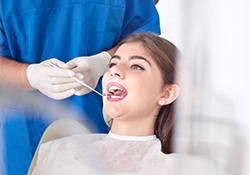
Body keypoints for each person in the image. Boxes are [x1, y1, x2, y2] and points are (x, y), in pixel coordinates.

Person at [0, 1, 160, 174]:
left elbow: (148, 41)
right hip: (24, 130)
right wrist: (29, 75)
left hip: (103, 119)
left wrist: (105, 60)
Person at [31, 32, 180, 174]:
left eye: (136, 66)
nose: (114, 71)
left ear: (167, 94)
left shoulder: (178, 168)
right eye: (112, 64)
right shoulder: (60, 150)